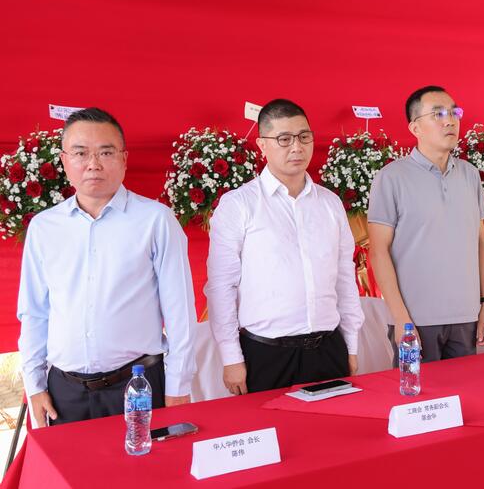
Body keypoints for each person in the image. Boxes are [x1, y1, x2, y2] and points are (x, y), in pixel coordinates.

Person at [18, 108, 196, 426]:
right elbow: (34, 312)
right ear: (64, 160)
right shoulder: (44, 227)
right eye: (80, 153)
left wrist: (178, 386)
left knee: (148, 459)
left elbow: (180, 311)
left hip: (138, 385)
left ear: (124, 159)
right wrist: (35, 385)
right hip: (64, 393)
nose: (93, 164)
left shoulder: (156, 220)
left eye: (105, 152)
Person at [206, 99, 364, 395]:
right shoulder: (239, 204)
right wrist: (231, 357)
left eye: (304, 137)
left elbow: (345, 276)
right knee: (271, 426)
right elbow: (221, 286)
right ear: (262, 145)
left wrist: (351, 345)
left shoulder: (330, 203)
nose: (297, 147)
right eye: (284, 139)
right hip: (266, 354)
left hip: (328, 349)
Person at [368, 85, 484, 363]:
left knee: (465, 389)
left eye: (454, 112)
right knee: (417, 390)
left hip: (465, 317)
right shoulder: (391, 178)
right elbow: (378, 252)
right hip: (416, 320)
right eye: (438, 114)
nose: (450, 121)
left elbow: (481, 243)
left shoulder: (470, 175)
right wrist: (400, 317)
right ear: (415, 128)